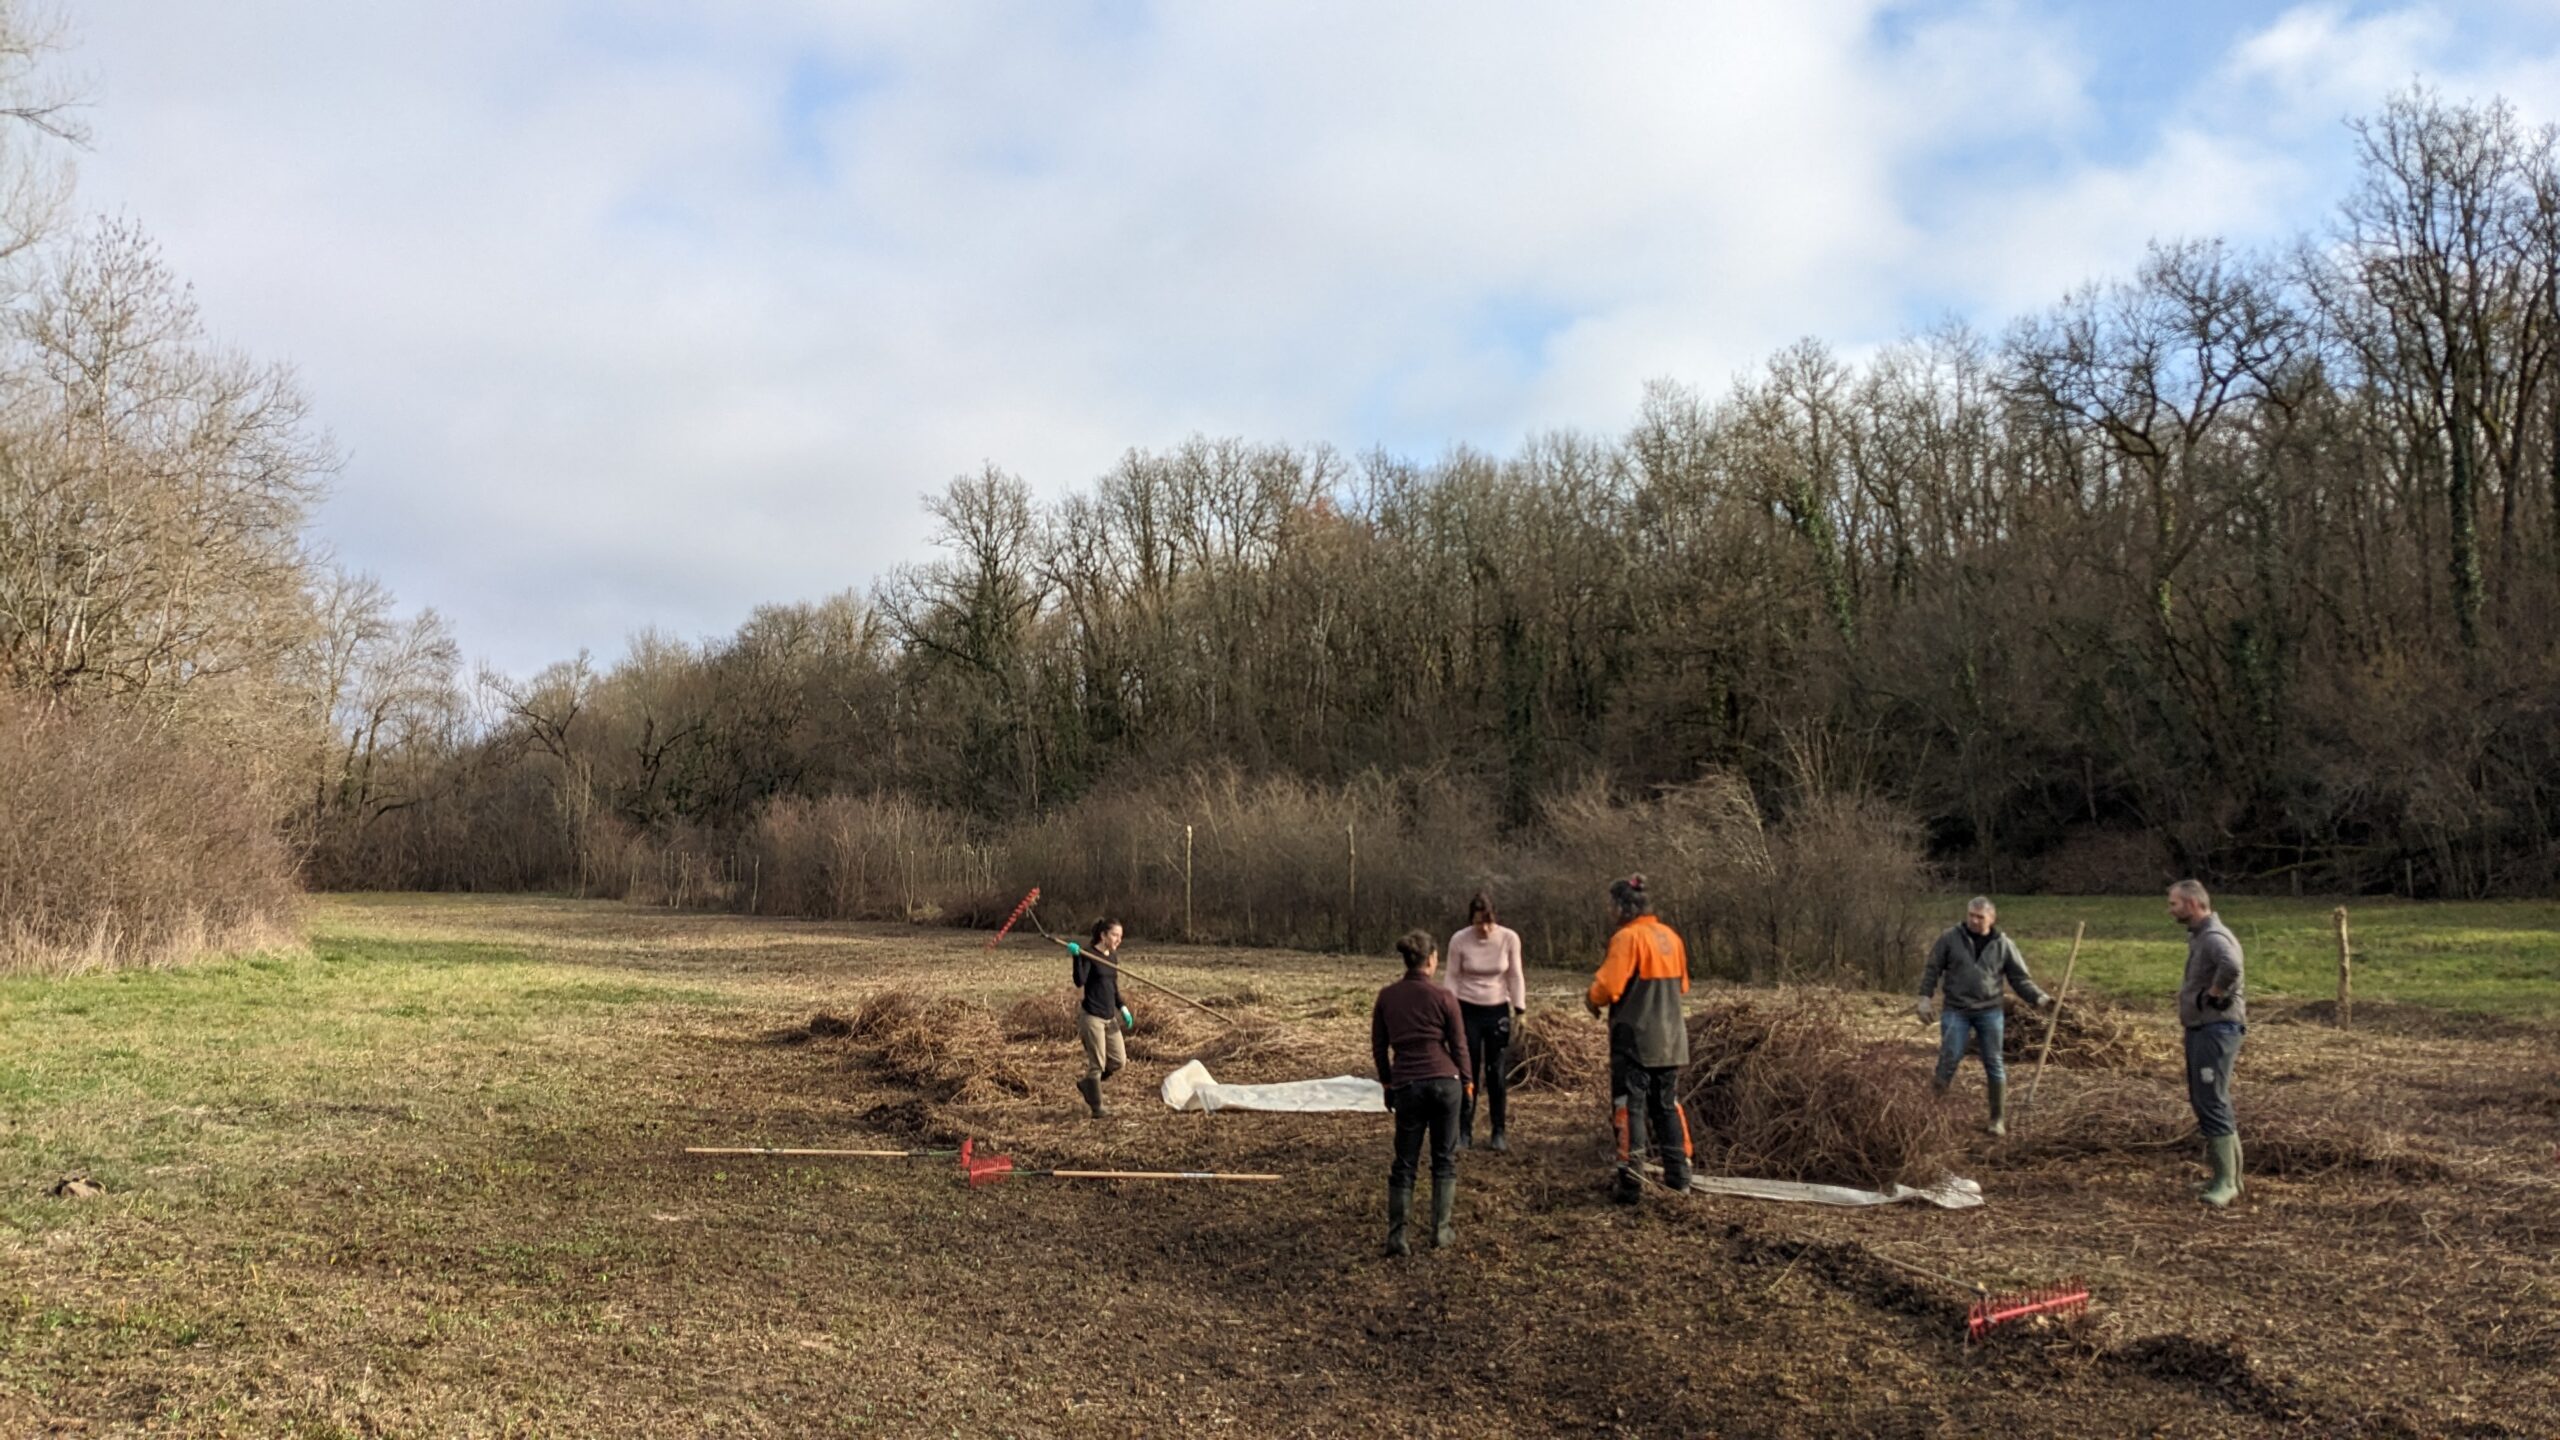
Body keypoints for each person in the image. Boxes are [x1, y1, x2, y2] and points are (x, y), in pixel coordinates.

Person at [1586, 874, 1691, 1204]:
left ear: (1623, 907)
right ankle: (1679, 1178)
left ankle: (1631, 1183)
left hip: (1634, 1039)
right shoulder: (1671, 937)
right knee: (1666, 1107)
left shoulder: (1627, 938)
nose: (1610, 911)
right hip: (1672, 1039)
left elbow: (1607, 987)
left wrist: (1591, 999)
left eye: (1612, 905)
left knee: (1629, 1108)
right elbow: (1683, 986)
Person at [1912, 896, 2054, 1137]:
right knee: (1948, 1058)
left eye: (1980, 917)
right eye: (1971, 915)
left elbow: (2019, 979)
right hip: (1956, 1010)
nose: (1974, 920)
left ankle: (1997, 1119)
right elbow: (1932, 968)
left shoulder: (2003, 944)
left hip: (1989, 1012)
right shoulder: (1950, 938)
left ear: (1992, 918)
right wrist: (1924, 998)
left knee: (1994, 1062)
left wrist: (2040, 998)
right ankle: (1932, 1114)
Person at [1370, 929, 1469, 1256]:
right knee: (1444, 1159)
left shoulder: (1387, 997)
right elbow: (1458, 1045)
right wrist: (1467, 1082)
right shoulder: (1444, 997)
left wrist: (1388, 1084)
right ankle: (1441, 1231)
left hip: (1408, 1084)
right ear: (1432, 959)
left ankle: (1398, 1236)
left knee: (1405, 1161)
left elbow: (1379, 1047)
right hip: (1445, 1082)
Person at [2169, 880, 2246, 1208]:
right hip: (2203, 1027)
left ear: (2192, 904)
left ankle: (2226, 1182)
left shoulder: (2214, 937)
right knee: (2209, 1099)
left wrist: (2214, 994)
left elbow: (2232, 966)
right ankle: (2229, 1178)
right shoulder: (2201, 936)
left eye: (2174, 903)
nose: (2170, 910)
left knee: (2212, 1099)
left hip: (2216, 1029)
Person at [1442, 891, 1526, 1152]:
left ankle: (1498, 1130)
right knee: (1468, 1071)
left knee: (1496, 1071)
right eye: (1479, 922)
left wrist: (1520, 1009)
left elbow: (1515, 975)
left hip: (1497, 1009)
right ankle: (1464, 1130)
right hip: (1467, 1009)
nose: (1485, 928)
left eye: (1489, 922)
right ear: (1471, 920)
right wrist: (1448, 1010)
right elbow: (1452, 976)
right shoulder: (1459, 940)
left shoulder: (1509, 938)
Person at [1068, 918, 1129, 1119]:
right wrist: (1077, 957)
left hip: (1110, 1017)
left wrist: (1122, 1007)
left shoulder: (1112, 957)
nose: (1118, 940)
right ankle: (1097, 1107)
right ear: (1103, 935)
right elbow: (1080, 981)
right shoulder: (1089, 954)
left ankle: (1089, 1085)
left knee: (1119, 1061)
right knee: (1098, 1064)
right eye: (1115, 935)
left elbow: (1112, 987)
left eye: (1120, 936)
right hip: (1092, 1017)